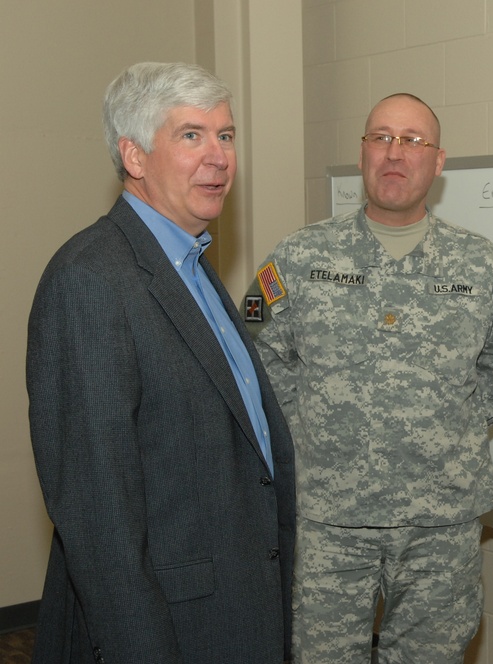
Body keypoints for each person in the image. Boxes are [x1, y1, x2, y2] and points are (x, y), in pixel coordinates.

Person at [243, 92, 493, 664]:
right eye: (381, 137)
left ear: (439, 161)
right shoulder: (299, 257)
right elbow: (257, 360)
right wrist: (313, 427)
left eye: (413, 141)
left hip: (440, 524)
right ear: (362, 153)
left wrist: (442, 428)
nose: (395, 153)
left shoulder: (479, 265)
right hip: (329, 519)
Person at [26, 62, 296, 663]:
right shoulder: (90, 279)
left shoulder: (195, 269)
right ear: (135, 156)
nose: (220, 157)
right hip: (171, 632)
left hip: (239, 612)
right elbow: (99, 517)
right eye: (191, 135)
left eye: (225, 135)